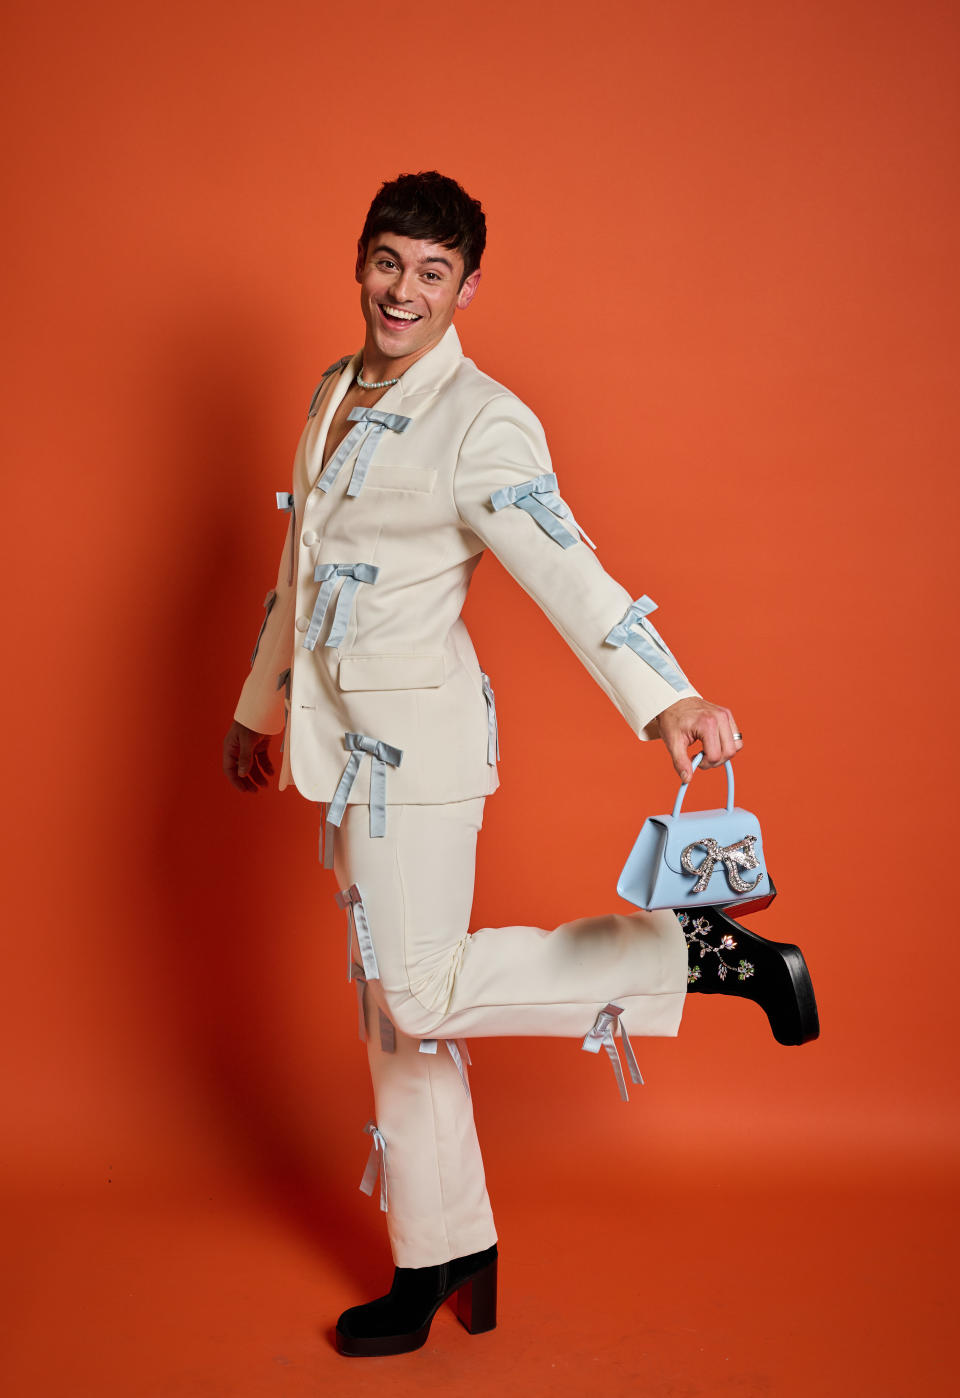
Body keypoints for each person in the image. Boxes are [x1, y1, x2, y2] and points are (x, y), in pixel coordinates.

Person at [222, 171, 817, 1358]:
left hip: (421, 761)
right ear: (361, 262)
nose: (404, 289)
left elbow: (567, 568)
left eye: (432, 273)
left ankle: (691, 951)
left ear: (467, 288)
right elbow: (302, 568)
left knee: (419, 989)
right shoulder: (335, 388)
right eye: (389, 261)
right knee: (399, 1026)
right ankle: (443, 1253)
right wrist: (261, 705)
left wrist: (668, 697)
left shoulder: (480, 419)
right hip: (342, 753)